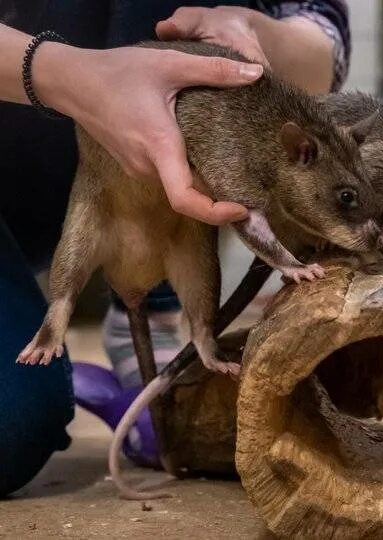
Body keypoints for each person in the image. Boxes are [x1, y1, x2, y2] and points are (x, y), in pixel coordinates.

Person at [0, 0, 350, 497]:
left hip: (158, 200)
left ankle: (153, 316)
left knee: (13, 428)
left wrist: (253, 37)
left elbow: (321, 30)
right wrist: (63, 73)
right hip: (56, 156)